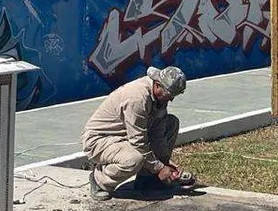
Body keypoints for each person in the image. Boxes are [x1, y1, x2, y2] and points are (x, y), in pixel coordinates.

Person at [82, 65, 196, 201]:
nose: (170, 100)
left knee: (171, 124)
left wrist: (164, 164)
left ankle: (148, 181)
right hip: (99, 140)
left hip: (125, 134)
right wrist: (159, 167)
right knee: (134, 159)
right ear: (158, 85)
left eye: (173, 96)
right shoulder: (137, 99)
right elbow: (139, 142)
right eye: (169, 95)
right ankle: (99, 180)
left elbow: (158, 133)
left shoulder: (159, 96)